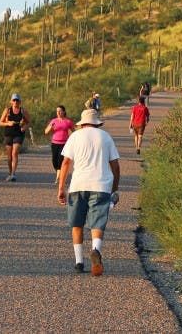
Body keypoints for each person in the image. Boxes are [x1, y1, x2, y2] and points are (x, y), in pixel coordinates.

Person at [57, 108, 120, 276]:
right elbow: (115, 165)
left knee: (77, 224)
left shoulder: (74, 137)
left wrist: (61, 187)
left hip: (78, 185)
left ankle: (79, 262)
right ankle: (96, 250)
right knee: (97, 223)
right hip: (101, 186)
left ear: (82, 123)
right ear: (97, 123)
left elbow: (65, 163)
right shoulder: (106, 137)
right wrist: (115, 188)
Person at [0, 93, 29, 181]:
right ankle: (10, 172)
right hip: (8, 133)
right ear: (11, 101)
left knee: (14, 153)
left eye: (17, 100)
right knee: (9, 156)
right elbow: (0, 122)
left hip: (19, 134)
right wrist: (8, 123)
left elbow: (28, 122)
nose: (16, 102)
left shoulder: (23, 111)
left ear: (20, 102)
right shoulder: (7, 110)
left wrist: (24, 127)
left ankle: (13, 174)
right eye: (14, 100)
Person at [44, 105, 74, 184]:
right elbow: (46, 132)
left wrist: (73, 139)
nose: (58, 112)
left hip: (64, 143)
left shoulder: (68, 121)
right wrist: (50, 127)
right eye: (57, 111)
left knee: (60, 160)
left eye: (60, 111)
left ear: (64, 112)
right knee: (54, 161)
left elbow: (74, 131)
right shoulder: (53, 121)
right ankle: (60, 174)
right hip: (54, 143)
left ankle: (58, 178)